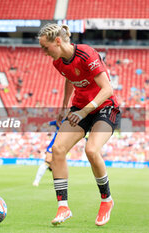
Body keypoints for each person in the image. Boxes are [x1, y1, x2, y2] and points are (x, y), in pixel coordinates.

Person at [38, 24, 121, 226]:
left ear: (58, 41)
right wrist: (65, 105)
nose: (44, 52)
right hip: (80, 108)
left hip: (104, 107)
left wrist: (84, 111)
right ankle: (63, 207)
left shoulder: (86, 54)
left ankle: (106, 200)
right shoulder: (58, 62)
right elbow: (70, 78)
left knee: (91, 150)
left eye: (45, 48)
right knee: (57, 149)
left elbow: (107, 89)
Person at [32, 121, 59, 186]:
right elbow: (47, 124)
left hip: (63, 146)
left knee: (56, 165)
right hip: (54, 145)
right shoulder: (60, 121)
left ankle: (58, 182)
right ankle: (36, 181)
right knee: (47, 162)